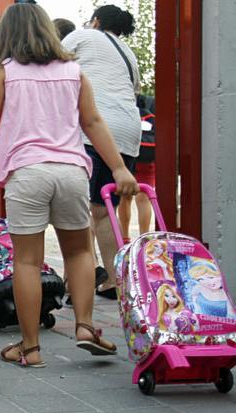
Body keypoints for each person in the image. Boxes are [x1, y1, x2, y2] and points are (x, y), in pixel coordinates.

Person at [0, 2, 138, 367]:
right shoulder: (73, 70)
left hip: (27, 173)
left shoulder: (6, 72)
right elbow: (94, 122)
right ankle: (85, 326)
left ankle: (30, 348)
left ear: (7, 35)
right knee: (80, 252)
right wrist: (119, 169)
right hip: (70, 170)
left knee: (27, 261)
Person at [63, 5, 142, 300]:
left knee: (82, 212)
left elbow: (51, 61)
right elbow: (132, 89)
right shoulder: (128, 54)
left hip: (96, 128)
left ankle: (76, 283)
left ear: (95, 21)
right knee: (104, 211)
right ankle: (115, 280)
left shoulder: (82, 36)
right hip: (128, 130)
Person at [118, 93, 156, 239]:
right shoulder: (151, 114)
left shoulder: (125, 114)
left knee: (125, 197)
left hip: (128, 158)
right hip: (148, 161)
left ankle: (125, 237)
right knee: (143, 198)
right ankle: (144, 237)